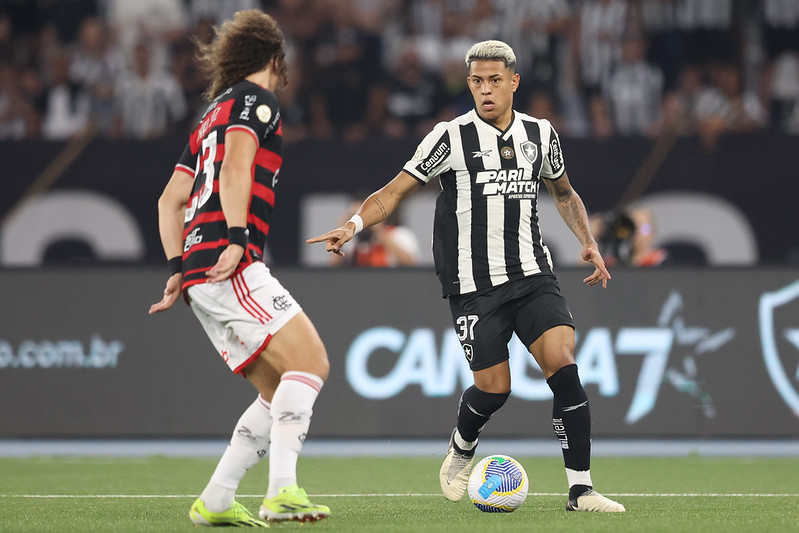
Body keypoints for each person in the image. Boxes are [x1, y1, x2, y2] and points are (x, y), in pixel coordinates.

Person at [308, 40, 625, 513]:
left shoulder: (540, 133)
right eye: (477, 81)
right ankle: (462, 443)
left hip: (532, 272)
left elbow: (563, 191)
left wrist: (588, 240)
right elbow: (394, 192)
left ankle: (581, 490)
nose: (485, 89)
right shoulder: (449, 137)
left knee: (562, 363)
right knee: (495, 387)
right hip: (474, 285)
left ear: (514, 82)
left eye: (495, 80)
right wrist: (353, 226)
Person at [149, 10, 330, 527]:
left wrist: (177, 266)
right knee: (312, 362)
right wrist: (234, 236)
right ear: (276, 59)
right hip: (230, 261)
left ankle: (217, 500)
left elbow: (170, 200)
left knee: (276, 390)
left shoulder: (210, 113)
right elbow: (235, 167)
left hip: (200, 269)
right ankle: (282, 491)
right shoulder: (259, 101)